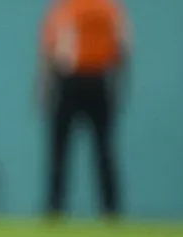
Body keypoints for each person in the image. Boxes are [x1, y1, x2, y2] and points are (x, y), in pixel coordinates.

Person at [39, 0, 129, 220]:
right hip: (97, 81)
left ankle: (55, 208)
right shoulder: (109, 9)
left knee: (62, 151)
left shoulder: (66, 8)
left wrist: (43, 88)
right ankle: (110, 210)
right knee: (102, 151)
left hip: (71, 81)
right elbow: (123, 49)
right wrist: (118, 86)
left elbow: (50, 52)